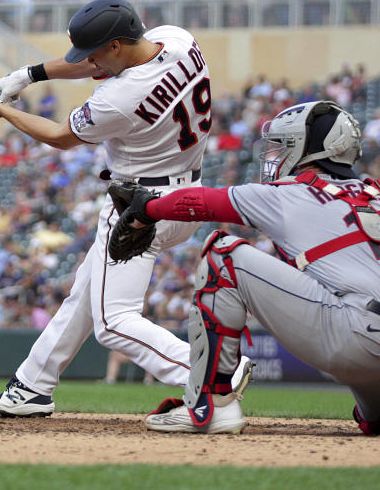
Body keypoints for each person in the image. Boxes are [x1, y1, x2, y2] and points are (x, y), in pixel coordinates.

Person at [0, 0, 249, 417]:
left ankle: (214, 371)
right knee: (85, 294)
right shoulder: (177, 40)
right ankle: (31, 387)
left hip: (140, 210)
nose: (89, 64)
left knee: (113, 321)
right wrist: (28, 75)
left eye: (96, 53)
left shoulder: (119, 97)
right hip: (184, 195)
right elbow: (98, 64)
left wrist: (0, 108)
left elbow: (61, 136)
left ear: (116, 45)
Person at [111, 100, 380, 435]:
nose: (275, 155)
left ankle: (213, 404)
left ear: (307, 148)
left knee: (223, 254)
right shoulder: (374, 192)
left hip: (358, 340)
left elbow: (202, 203)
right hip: (366, 334)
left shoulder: (292, 193)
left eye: (283, 146)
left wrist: (147, 207)